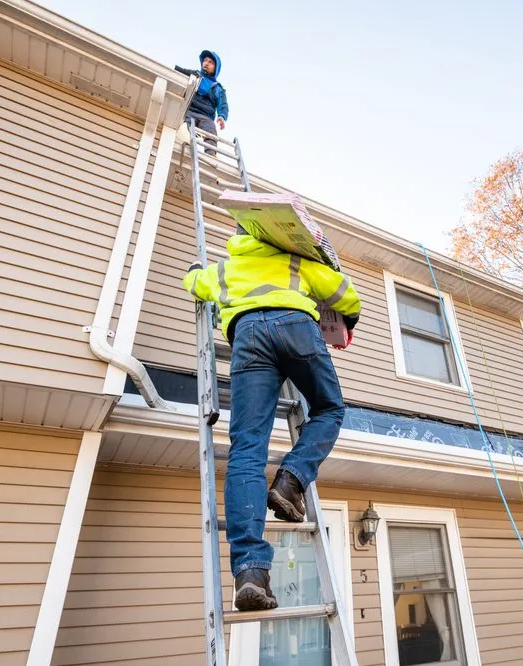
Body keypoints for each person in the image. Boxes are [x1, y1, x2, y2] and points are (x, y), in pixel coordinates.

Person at [182, 233, 361, 611]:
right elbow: (347, 295)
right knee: (329, 408)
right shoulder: (295, 261)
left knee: (246, 449)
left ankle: (251, 571)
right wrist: (346, 318)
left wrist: (197, 270)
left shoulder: (226, 268)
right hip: (296, 327)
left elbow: (194, 283)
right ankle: (291, 479)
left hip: (247, 336)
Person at [174, 50, 229, 155]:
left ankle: (211, 155)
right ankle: (184, 146)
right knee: (184, 127)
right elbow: (179, 71)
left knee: (211, 130)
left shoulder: (218, 88)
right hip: (190, 110)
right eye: (205, 61)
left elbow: (223, 104)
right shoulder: (195, 75)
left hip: (206, 116)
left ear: (216, 68)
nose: (206, 63)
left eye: (211, 62)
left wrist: (222, 116)